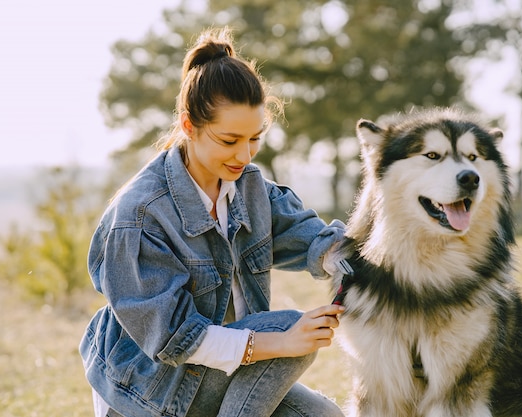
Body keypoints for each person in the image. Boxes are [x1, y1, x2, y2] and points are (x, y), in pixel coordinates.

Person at [79, 27, 347, 417]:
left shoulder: (249, 187)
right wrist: (287, 341)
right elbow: (177, 341)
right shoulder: (139, 216)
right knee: (287, 329)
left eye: (255, 138)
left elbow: (312, 240)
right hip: (154, 391)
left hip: (227, 373)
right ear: (189, 126)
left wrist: (356, 257)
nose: (245, 154)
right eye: (229, 140)